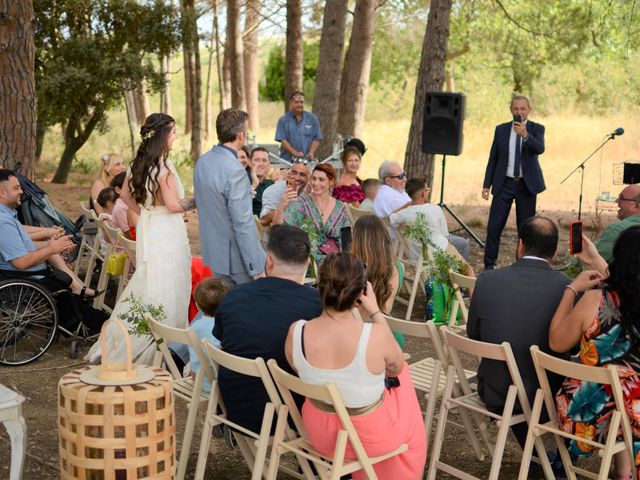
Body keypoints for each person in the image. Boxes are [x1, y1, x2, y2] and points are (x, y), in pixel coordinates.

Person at [284, 252, 427, 479]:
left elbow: (296, 367)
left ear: (319, 286)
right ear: (361, 292)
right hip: (367, 438)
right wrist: (375, 312)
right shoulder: (375, 335)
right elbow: (396, 368)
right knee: (403, 376)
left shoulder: (297, 331)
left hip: (319, 432)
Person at [87, 113, 195, 365]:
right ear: (162, 136)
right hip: (167, 231)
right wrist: (197, 199)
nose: (175, 136)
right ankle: (164, 349)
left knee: (151, 282)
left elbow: (124, 195)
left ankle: (139, 342)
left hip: (152, 226)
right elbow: (172, 205)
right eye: (173, 132)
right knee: (169, 284)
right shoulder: (164, 167)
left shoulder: (138, 163)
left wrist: (146, 211)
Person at [467, 216, 570, 448]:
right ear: (554, 252)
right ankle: (548, 458)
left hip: (496, 391)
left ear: (520, 244)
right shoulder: (567, 288)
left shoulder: (486, 280)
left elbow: (475, 335)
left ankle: (535, 456)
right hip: (548, 396)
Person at [550, 227, 640, 479]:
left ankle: (622, 470)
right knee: (628, 400)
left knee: (616, 398)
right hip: (635, 418)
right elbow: (631, 284)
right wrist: (594, 259)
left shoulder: (594, 301)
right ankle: (624, 471)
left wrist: (571, 290)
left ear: (617, 259)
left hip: (582, 416)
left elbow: (557, 343)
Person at [214, 225, 322, 433]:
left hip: (235, 406)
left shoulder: (234, 296)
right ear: (308, 264)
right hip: (288, 413)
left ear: (268, 261)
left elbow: (222, 340)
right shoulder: (317, 305)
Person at [0, 169, 106, 330]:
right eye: (16, 188)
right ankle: (96, 325)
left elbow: (24, 246)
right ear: (1, 192)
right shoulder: (3, 222)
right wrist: (51, 248)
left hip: (26, 272)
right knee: (64, 287)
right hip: (25, 276)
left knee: (66, 280)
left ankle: (90, 315)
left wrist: (56, 245)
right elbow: (20, 262)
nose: (21, 191)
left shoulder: (8, 216)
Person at [194, 108, 266, 286]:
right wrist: (256, 268)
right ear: (241, 135)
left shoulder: (202, 162)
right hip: (237, 261)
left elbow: (214, 200)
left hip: (212, 254)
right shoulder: (235, 170)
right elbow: (242, 223)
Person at [482, 94, 546, 270]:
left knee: (525, 229)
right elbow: (493, 158)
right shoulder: (501, 129)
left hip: (526, 185)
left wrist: (525, 135)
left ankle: (523, 265)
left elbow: (540, 149)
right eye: (516, 108)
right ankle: (489, 265)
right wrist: (487, 184)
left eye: (522, 108)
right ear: (511, 110)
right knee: (494, 227)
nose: (519, 112)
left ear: (529, 110)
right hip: (504, 184)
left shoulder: (536, 128)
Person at [281, 163, 351, 262]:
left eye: (321, 179)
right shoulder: (300, 203)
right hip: (306, 264)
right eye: (314, 179)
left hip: (334, 264)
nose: (316, 183)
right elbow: (284, 229)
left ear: (331, 182)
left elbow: (346, 241)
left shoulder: (340, 207)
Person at [189, 277, 230, 393]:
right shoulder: (225, 326)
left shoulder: (195, 327)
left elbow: (194, 357)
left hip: (199, 381)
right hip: (219, 384)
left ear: (197, 306)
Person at [594, 184, 640, 263]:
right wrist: (602, 233)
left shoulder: (617, 229)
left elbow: (592, 260)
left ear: (636, 206)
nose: (616, 201)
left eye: (621, 198)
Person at [260, 160, 311, 227]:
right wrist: (282, 207)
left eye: (302, 174)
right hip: (278, 235)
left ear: (309, 179)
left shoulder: (310, 193)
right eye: (294, 173)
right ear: (289, 174)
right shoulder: (274, 190)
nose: (297, 178)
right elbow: (263, 221)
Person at [275, 91, 322, 161]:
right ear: (291, 103)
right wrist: (295, 153)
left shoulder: (312, 118)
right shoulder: (283, 120)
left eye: (301, 102)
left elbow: (317, 138)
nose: (299, 104)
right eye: (296, 102)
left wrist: (311, 153)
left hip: (307, 162)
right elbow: (283, 141)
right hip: (287, 162)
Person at [110, 171, 138, 239]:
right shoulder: (120, 208)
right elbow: (128, 234)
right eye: (129, 187)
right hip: (125, 247)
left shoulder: (123, 204)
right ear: (118, 190)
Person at [250, 147, 274, 216]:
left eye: (264, 160)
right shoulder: (242, 181)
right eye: (257, 160)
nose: (260, 164)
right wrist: (254, 185)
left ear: (269, 164)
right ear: (249, 162)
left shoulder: (270, 184)